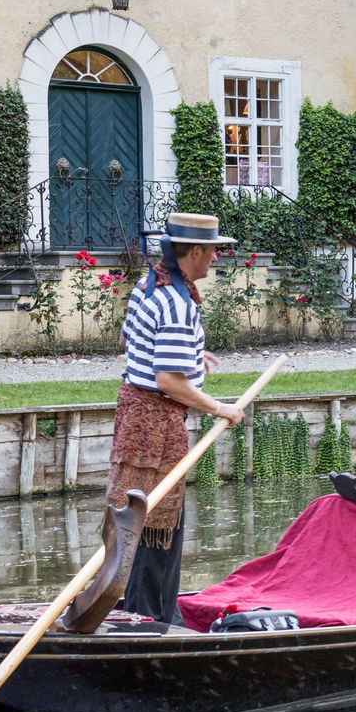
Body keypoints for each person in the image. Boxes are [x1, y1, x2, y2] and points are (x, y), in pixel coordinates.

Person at [110, 212, 244, 624]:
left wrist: (189, 354)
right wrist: (221, 408)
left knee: (136, 520)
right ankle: (149, 621)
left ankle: (152, 613)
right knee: (156, 527)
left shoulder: (149, 284)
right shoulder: (178, 303)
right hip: (156, 423)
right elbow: (169, 381)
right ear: (197, 252)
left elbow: (128, 339)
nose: (216, 260)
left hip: (132, 414)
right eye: (214, 252)